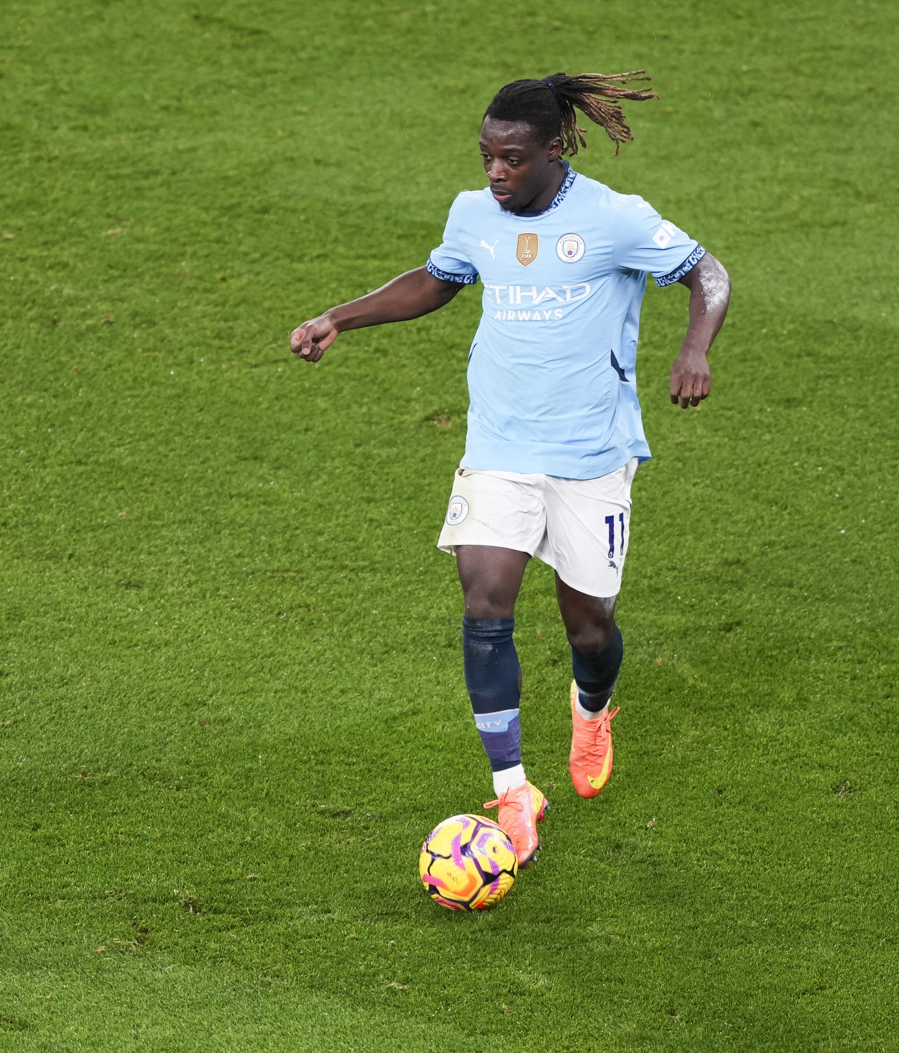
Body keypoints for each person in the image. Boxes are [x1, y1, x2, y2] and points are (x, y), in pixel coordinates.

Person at [288, 70, 730, 868]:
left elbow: (709, 273)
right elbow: (436, 280)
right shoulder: (473, 214)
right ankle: (514, 789)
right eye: (487, 156)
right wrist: (338, 317)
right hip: (499, 449)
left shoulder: (613, 219)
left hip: (591, 459)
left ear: (554, 150)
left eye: (513, 159)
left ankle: (591, 706)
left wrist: (694, 345)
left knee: (589, 629)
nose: (496, 173)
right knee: (486, 598)